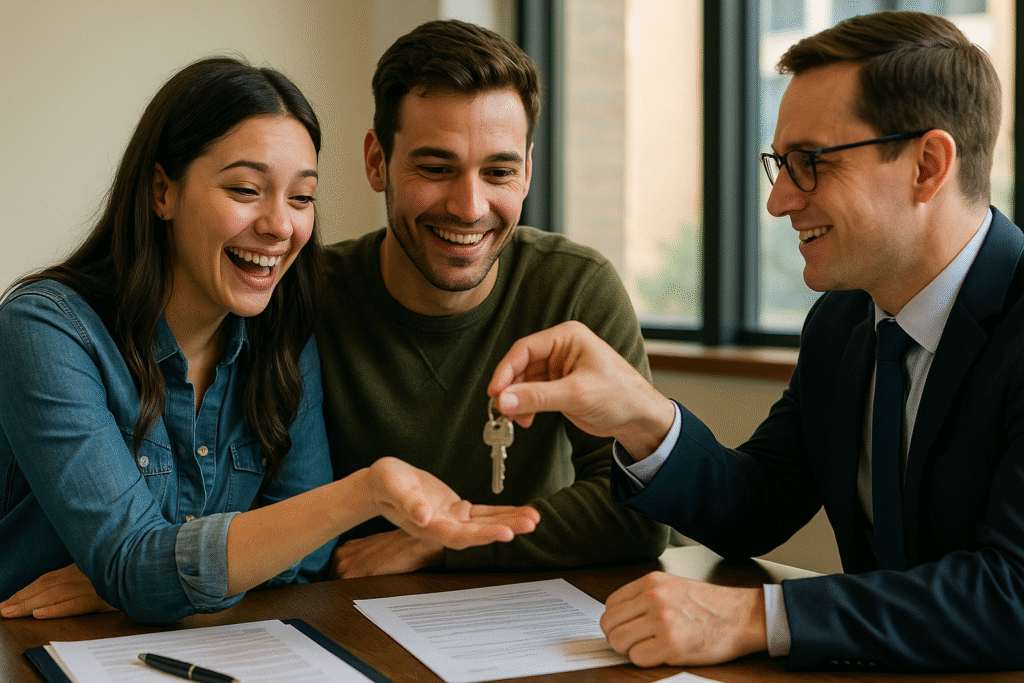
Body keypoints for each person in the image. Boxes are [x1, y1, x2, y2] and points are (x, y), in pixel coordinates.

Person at [488, 11, 1024, 673]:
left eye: (810, 163)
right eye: (780, 162)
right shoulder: (843, 323)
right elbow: (757, 505)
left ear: (927, 165)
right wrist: (639, 414)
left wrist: (752, 617)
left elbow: (1013, 593)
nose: (777, 202)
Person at [0, 56, 538, 624]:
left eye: (301, 198)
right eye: (246, 189)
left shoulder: (281, 332)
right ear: (162, 191)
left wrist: (147, 578)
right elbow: (137, 566)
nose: (280, 225)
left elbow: (306, 558)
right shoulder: (46, 331)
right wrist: (367, 491)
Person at [316, 19, 667, 579]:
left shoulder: (574, 288)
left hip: (519, 623)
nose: (469, 207)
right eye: (436, 169)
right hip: (340, 609)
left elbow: (640, 513)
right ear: (377, 161)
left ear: (527, 172)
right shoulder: (306, 294)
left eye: (499, 171)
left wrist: (444, 543)